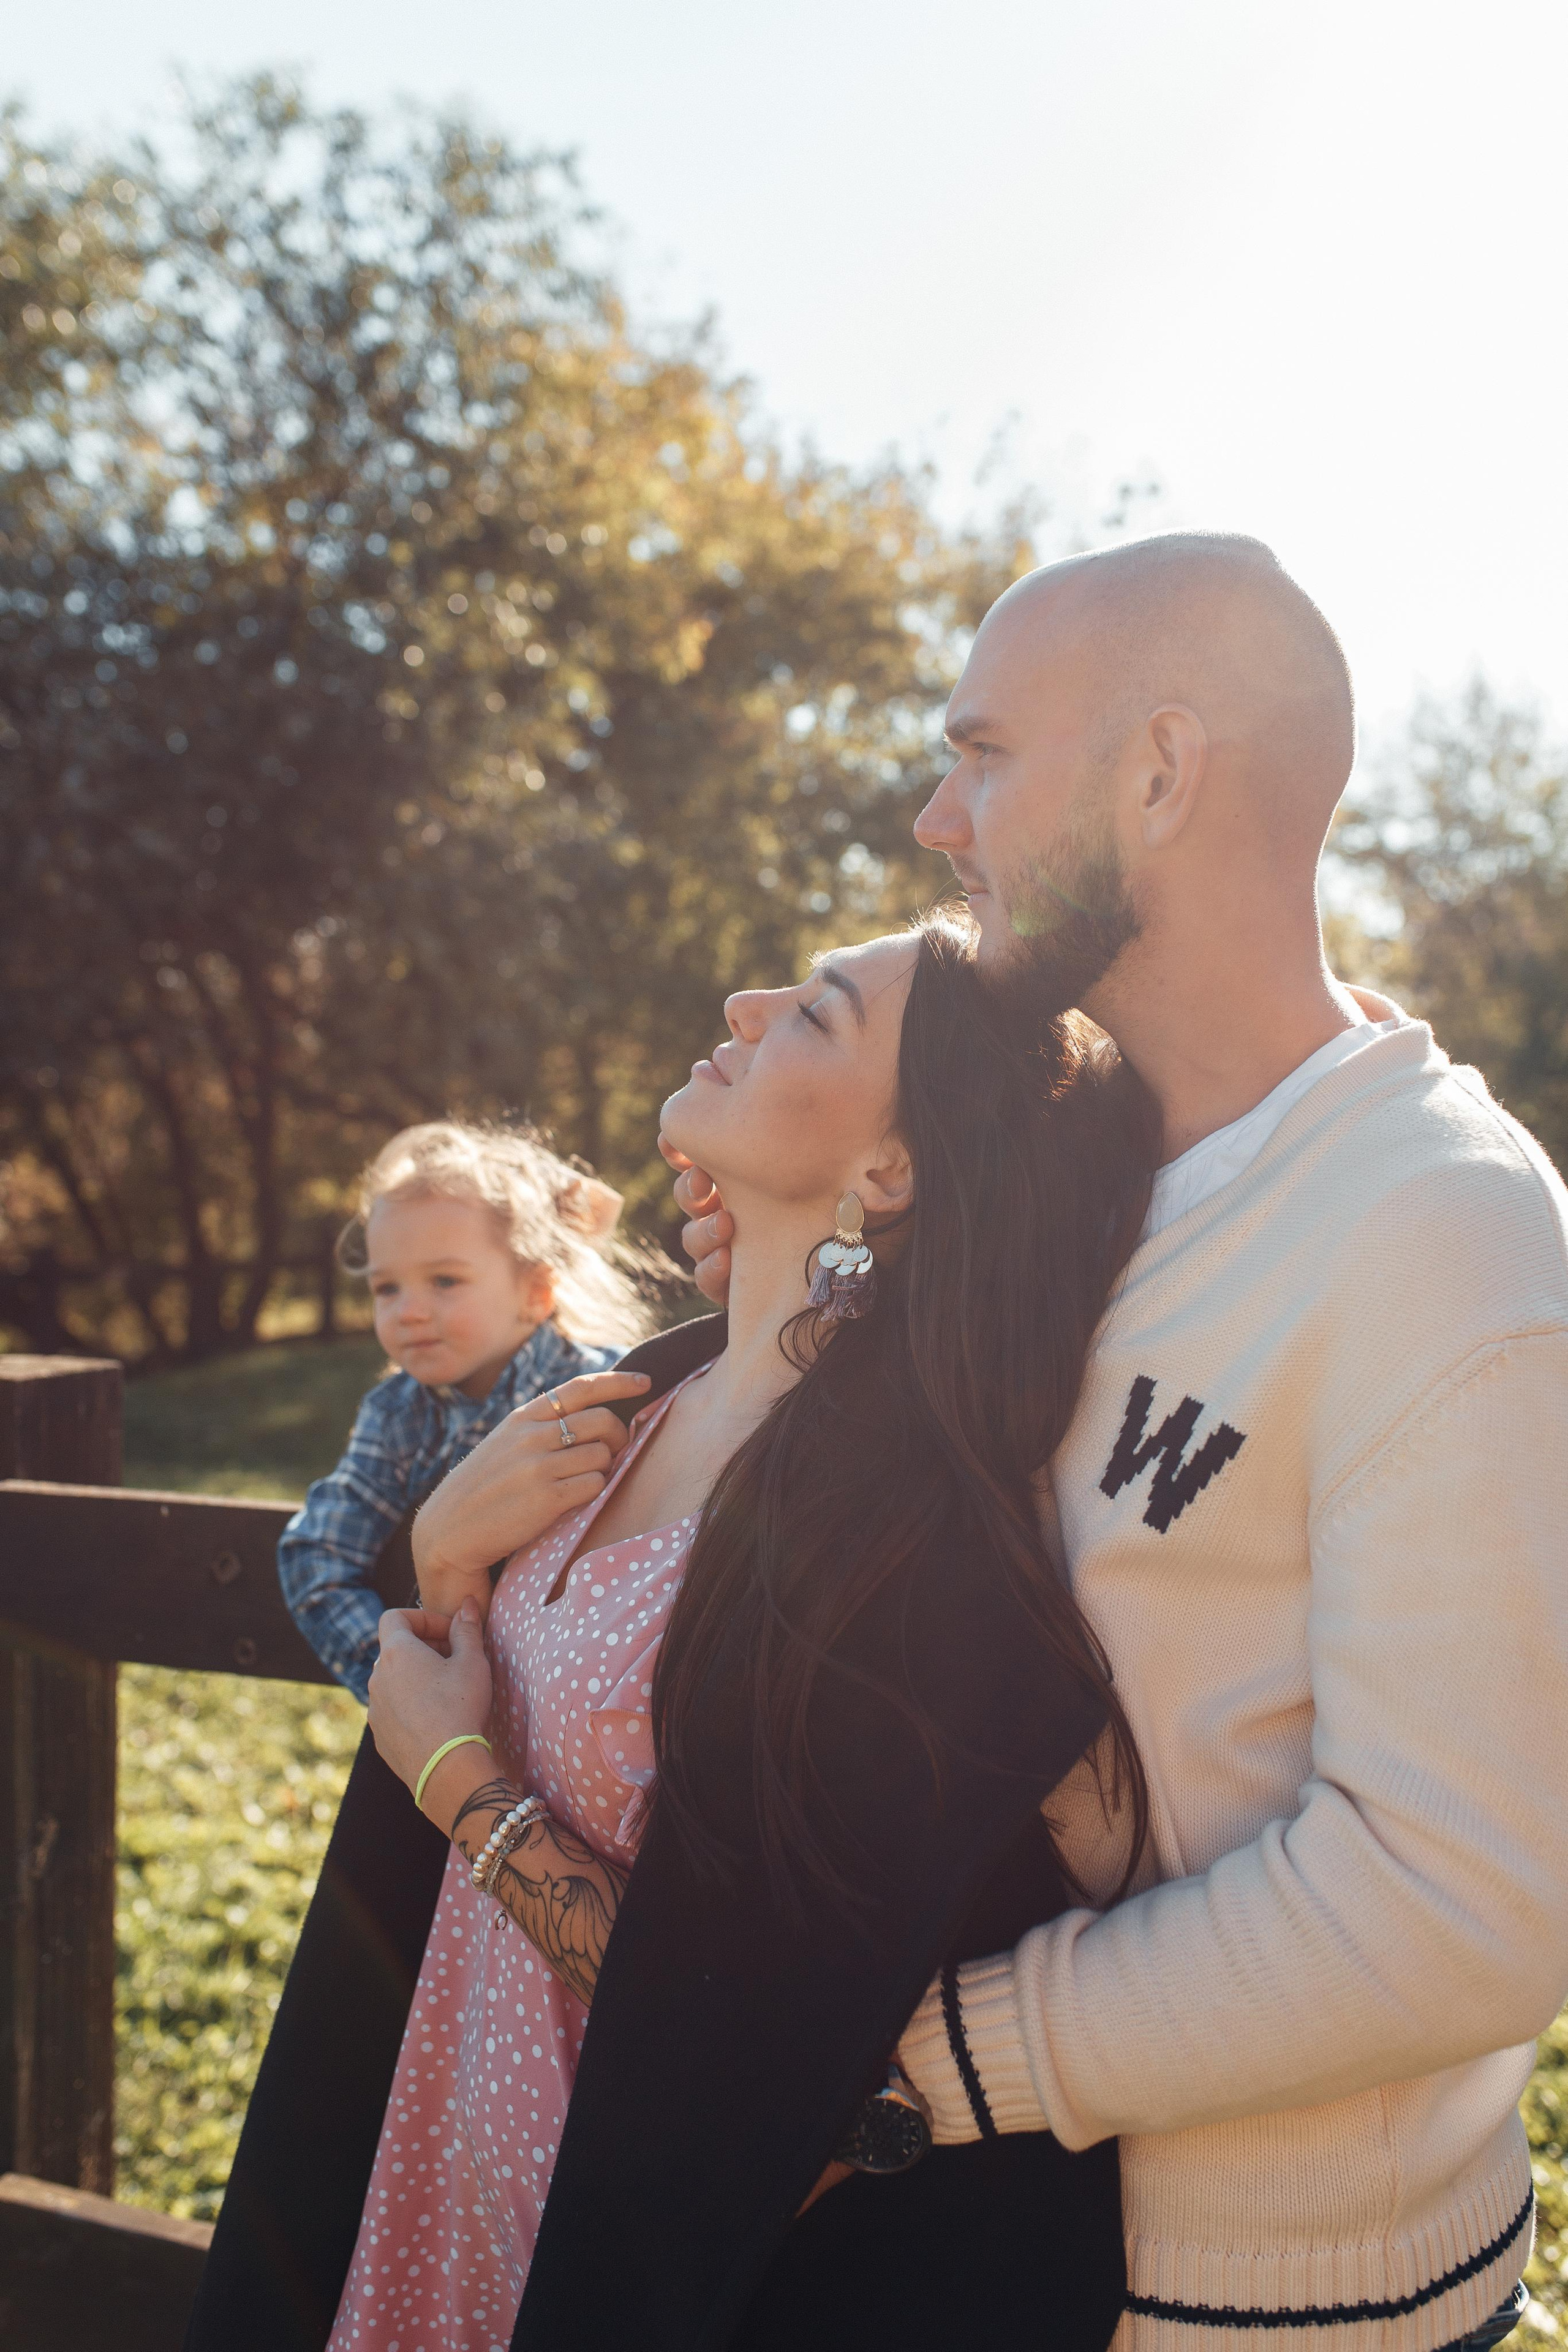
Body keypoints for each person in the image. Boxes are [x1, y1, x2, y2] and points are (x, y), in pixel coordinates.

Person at [671, 532, 1568, 2352]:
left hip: (1265, 2309)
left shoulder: (1440, 1230)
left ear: (1157, 772)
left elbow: (1464, 1903)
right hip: (965, 2268)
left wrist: (916, 2064)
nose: (934, 818)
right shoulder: (1073, 1173)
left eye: (984, 754)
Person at [185, 910, 1160, 2352]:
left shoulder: (892, 1535)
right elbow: (463, 1674)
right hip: (436, 2162)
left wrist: (457, 1782)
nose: (747, 1000)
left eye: (816, 1013)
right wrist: (444, 1551)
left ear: (887, 1170)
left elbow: (752, 2039)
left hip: (610, 2248)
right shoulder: (640, 1390)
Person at [277, 1119, 651, 1698]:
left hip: (591, 1700)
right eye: (387, 1288)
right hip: (462, 1716)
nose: (409, 1311)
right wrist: (407, 1682)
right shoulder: (400, 1417)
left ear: (536, 1292)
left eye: (445, 1280)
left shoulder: (608, 1392)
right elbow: (318, 1555)